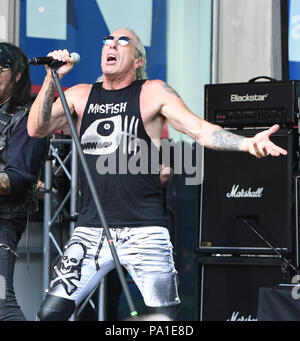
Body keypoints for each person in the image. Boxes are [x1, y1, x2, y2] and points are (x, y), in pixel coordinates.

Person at [27, 28, 287, 321]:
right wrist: (52, 77)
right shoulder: (81, 95)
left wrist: (246, 143)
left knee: (162, 318)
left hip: (144, 230)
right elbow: (36, 128)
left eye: (122, 41)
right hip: (91, 229)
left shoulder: (152, 92)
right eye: (107, 41)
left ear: (138, 60)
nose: (111, 45)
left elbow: (198, 129)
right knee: (50, 314)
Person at [0, 42, 49, 321]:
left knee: (1, 304)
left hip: (4, 220)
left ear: (17, 75)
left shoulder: (28, 117)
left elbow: (18, 179)